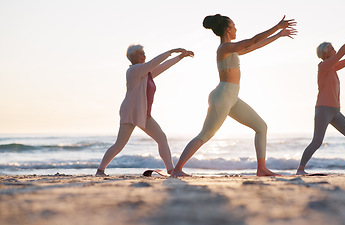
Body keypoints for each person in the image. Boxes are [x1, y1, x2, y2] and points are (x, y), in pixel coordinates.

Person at [171, 14, 297, 177]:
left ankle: (262, 168)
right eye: (234, 26)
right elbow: (253, 41)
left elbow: (255, 46)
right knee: (206, 134)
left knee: (261, 127)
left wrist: (278, 36)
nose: (237, 29)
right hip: (222, 96)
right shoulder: (224, 48)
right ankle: (177, 169)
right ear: (228, 29)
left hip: (232, 98)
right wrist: (277, 27)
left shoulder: (231, 49)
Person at [95, 45, 194, 176]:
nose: (143, 55)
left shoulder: (146, 73)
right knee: (119, 144)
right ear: (133, 57)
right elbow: (153, 63)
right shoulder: (134, 70)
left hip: (144, 114)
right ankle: (100, 170)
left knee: (161, 138)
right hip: (130, 112)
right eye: (140, 54)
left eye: (143, 53)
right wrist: (170, 51)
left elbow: (163, 66)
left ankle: (171, 170)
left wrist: (180, 56)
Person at [296, 22, 345, 175]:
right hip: (323, 109)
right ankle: (300, 169)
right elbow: (341, 55)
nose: (334, 50)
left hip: (335, 111)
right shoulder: (323, 66)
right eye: (331, 49)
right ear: (325, 54)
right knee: (317, 142)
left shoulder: (333, 67)